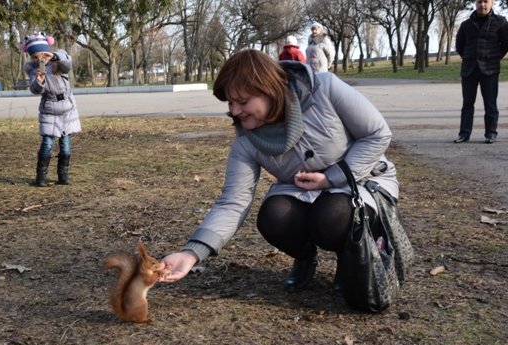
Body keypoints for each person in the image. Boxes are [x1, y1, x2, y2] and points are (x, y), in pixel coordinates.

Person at [159, 49, 398, 299]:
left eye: (243, 101)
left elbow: (378, 134)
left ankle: (348, 257)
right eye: (230, 102)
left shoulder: (324, 89)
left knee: (332, 215)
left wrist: (333, 177)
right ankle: (305, 257)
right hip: (303, 192)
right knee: (274, 216)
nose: (235, 111)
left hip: (359, 181)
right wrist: (191, 253)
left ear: (269, 90)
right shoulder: (246, 141)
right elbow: (232, 202)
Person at [23, 31, 81, 186]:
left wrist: (53, 57)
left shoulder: (59, 60)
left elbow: (68, 63)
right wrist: (39, 80)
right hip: (49, 109)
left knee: (66, 144)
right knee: (47, 143)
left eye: (42, 54)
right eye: (35, 56)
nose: (39, 58)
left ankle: (63, 175)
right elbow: (35, 90)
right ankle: (41, 177)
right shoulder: (33, 70)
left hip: (67, 109)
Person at [453, 0, 508, 144]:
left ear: (492, 3)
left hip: (490, 70)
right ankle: (464, 134)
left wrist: (494, 57)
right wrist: (468, 57)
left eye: (485, 1)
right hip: (469, 70)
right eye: (479, 2)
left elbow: (505, 45)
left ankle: (491, 133)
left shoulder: (501, 22)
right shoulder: (466, 25)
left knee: (490, 104)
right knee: (467, 104)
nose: (482, 5)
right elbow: (459, 45)